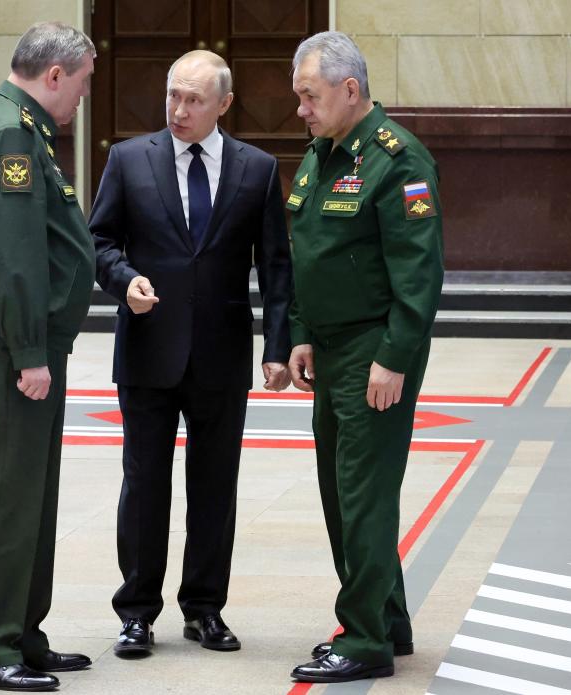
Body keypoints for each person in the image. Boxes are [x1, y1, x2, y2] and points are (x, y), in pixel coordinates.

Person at [89, 50, 292, 658]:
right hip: (149, 350)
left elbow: (277, 266)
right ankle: (137, 613)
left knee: (214, 486)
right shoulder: (128, 160)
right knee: (144, 484)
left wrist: (277, 346)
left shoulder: (257, 170)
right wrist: (124, 279)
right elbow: (98, 240)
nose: (179, 109)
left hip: (221, 356)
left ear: (224, 105)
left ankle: (204, 608)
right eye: (173, 96)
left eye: (194, 99)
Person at [285, 32, 444, 684]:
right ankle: (388, 618)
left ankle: (364, 637)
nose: (300, 109)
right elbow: (309, 254)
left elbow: (419, 273)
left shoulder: (398, 161)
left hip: (373, 348)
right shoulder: (321, 156)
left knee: (362, 493)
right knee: (343, 490)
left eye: (310, 96)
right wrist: (298, 331)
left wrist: (394, 356)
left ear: (351, 90)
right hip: (328, 345)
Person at [0, 22, 97, 692]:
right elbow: (11, 258)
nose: (84, 99)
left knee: (31, 492)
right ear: (55, 75)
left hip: (22, 342)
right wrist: (31, 351)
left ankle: (21, 633)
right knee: (9, 495)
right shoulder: (12, 133)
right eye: (84, 83)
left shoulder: (24, 127)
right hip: (9, 346)